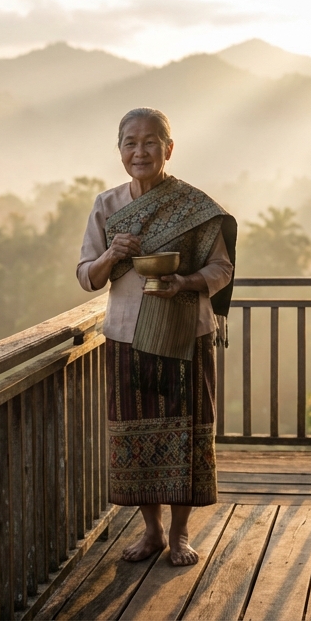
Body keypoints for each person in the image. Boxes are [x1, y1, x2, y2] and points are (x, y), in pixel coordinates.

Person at [75, 107, 237, 566]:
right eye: (130, 142)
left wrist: (184, 283)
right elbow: (86, 276)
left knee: (186, 436)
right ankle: (151, 532)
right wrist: (111, 255)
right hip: (127, 338)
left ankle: (181, 535)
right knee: (138, 437)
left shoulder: (194, 207)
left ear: (168, 148)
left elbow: (221, 269)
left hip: (187, 336)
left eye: (150, 142)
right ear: (120, 151)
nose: (140, 151)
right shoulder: (107, 207)